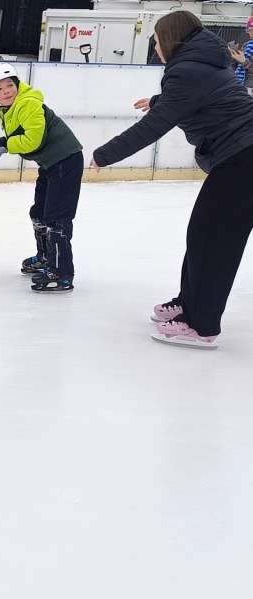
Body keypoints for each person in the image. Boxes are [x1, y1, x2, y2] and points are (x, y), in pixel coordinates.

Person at [92, 11, 253, 348]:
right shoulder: (205, 61)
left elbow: (155, 126)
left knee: (215, 243)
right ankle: (189, 304)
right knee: (203, 236)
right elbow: (195, 98)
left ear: (171, 38)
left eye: (156, 37)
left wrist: (104, 155)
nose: (154, 44)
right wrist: (156, 101)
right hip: (240, 154)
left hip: (243, 157)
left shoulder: (187, 69)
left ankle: (202, 326)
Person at [0, 63, 84, 293]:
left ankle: (61, 272)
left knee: (57, 218)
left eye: (9, 85)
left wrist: (5, 143)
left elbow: (33, 140)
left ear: (18, 86)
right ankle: (46, 258)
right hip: (51, 164)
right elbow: (19, 137)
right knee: (39, 213)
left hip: (66, 161)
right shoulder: (9, 110)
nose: (6, 91)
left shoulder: (28, 104)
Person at [229, 17, 253, 96]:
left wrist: (244, 62)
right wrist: (234, 54)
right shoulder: (247, 45)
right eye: (249, 30)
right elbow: (236, 66)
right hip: (241, 85)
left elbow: (246, 64)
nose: (251, 33)